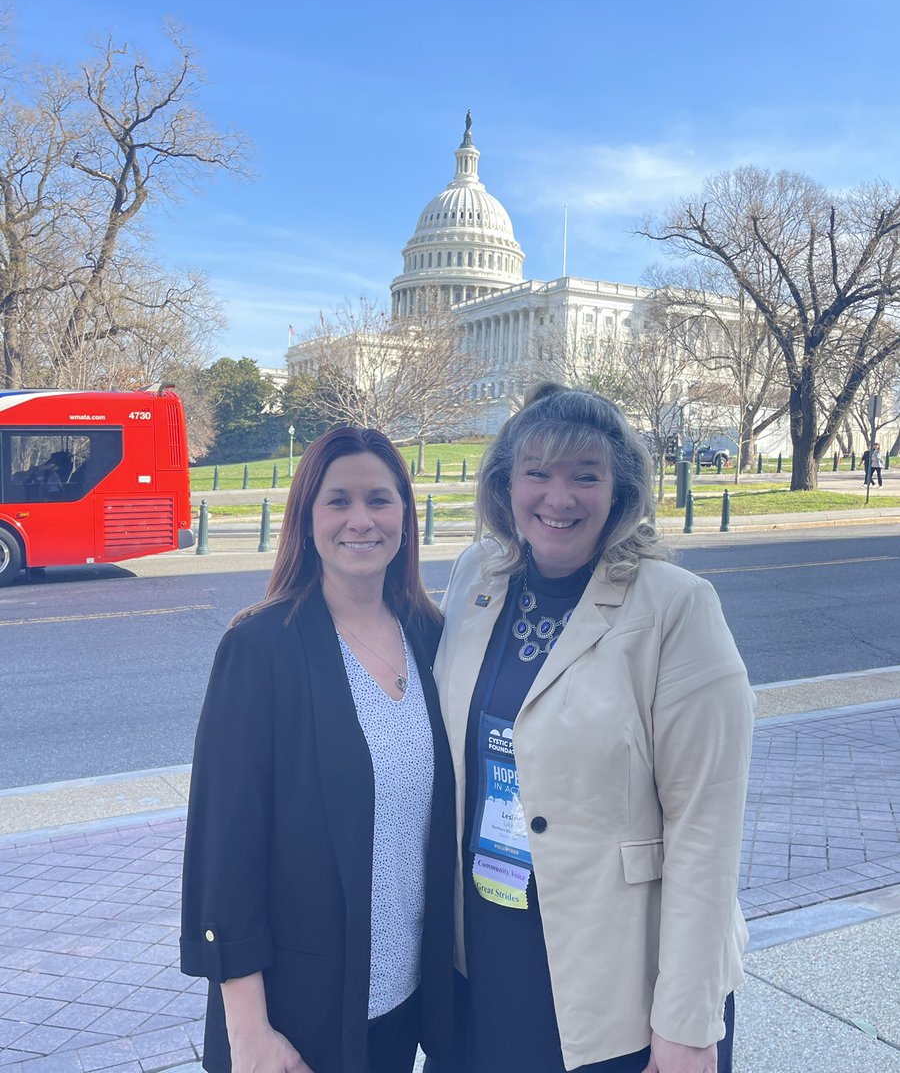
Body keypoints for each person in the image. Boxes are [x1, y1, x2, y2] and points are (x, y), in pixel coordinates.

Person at [431, 384, 754, 1073]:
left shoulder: (676, 608)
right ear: (505, 484)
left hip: (616, 972)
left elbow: (707, 828)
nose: (560, 497)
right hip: (485, 946)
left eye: (586, 476)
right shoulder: (476, 577)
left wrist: (687, 1022)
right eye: (537, 473)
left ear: (620, 491)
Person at [181, 427, 455, 1073]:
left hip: (403, 1010)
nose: (361, 520)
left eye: (379, 500)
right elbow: (226, 855)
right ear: (307, 519)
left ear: (406, 518)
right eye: (338, 501)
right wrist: (248, 1032)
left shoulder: (433, 638)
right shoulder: (260, 651)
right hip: (294, 1026)